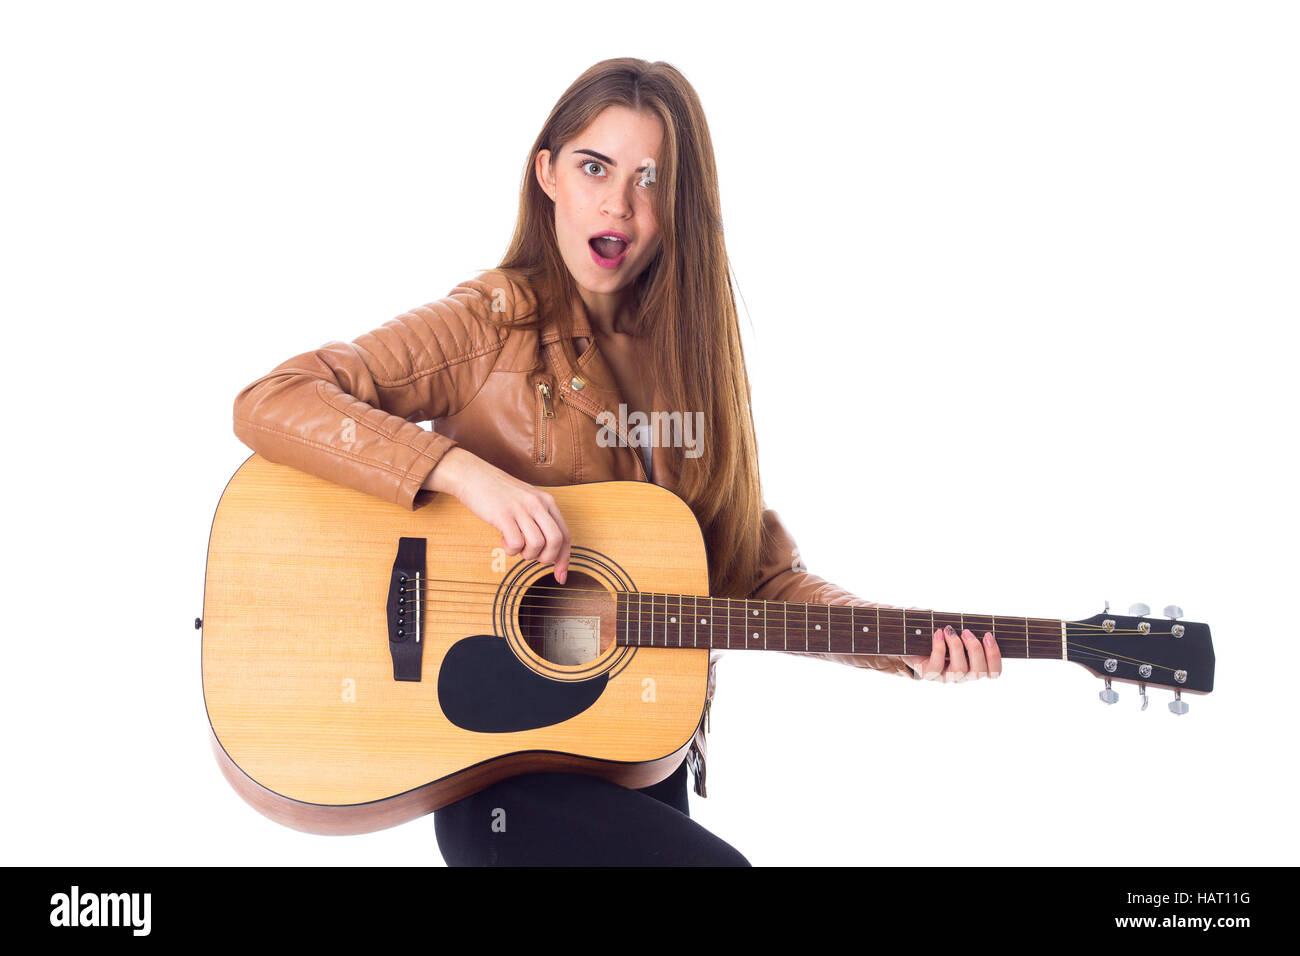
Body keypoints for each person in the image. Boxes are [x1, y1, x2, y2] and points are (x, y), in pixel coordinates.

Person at [231, 57, 1002, 866]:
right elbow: (275, 398)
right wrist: (464, 473)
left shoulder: (692, 371)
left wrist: (904, 643)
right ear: (547, 176)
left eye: (650, 180)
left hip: (636, 754)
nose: (619, 204)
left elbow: (754, 576)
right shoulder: (491, 323)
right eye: (594, 167)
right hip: (498, 775)